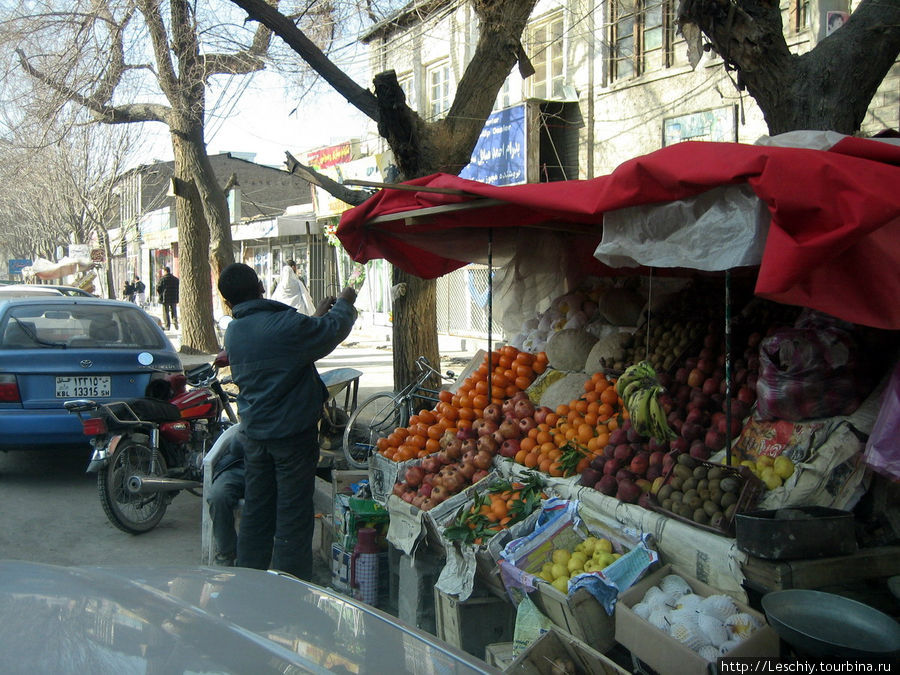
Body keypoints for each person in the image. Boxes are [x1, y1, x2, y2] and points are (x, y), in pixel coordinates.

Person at [217, 262, 357, 580]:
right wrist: (346, 303)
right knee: (293, 515)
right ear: (261, 287)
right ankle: (292, 588)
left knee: (257, 509)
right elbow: (328, 333)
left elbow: (292, 345)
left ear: (228, 302)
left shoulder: (235, 331)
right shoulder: (283, 324)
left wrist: (314, 317)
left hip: (255, 435)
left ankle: (248, 580)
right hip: (291, 436)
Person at [207, 432, 245, 567]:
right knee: (218, 496)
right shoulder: (251, 413)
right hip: (238, 465)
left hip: (269, 468)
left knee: (258, 502)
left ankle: (248, 557)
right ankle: (226, 553)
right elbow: (237, 445)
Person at [156, 266, 180, 330]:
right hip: (174, 297)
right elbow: (178, 287)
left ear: (165, 271)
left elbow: (158, 288)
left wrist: (160, 294)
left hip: (165, 298)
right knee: (174, 310)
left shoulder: (163, 279)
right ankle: (175, 320)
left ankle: (167, 325)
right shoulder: (175, 279)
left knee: (165, 312)